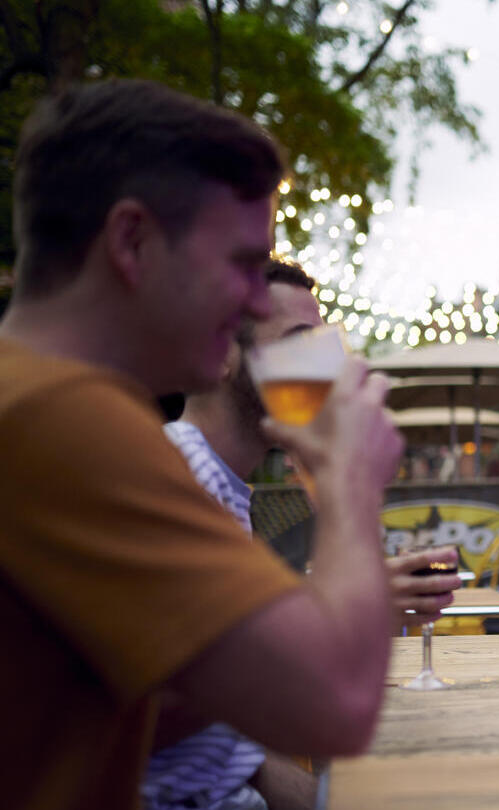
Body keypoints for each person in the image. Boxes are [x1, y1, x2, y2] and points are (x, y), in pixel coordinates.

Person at [0, 79, 404, 808]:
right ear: (132, 242)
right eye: (242, 264)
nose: (255, 302)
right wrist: (347, 476)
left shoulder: (38, 400)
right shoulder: (65, 421)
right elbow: (335, 704)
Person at [143, 259, 460, 810]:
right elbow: (149, 709)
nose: (325, 365)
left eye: (322, 341)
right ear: (221, 354)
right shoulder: (179, 476)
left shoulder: (218, 484)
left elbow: (232, 721)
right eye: (297, 342)